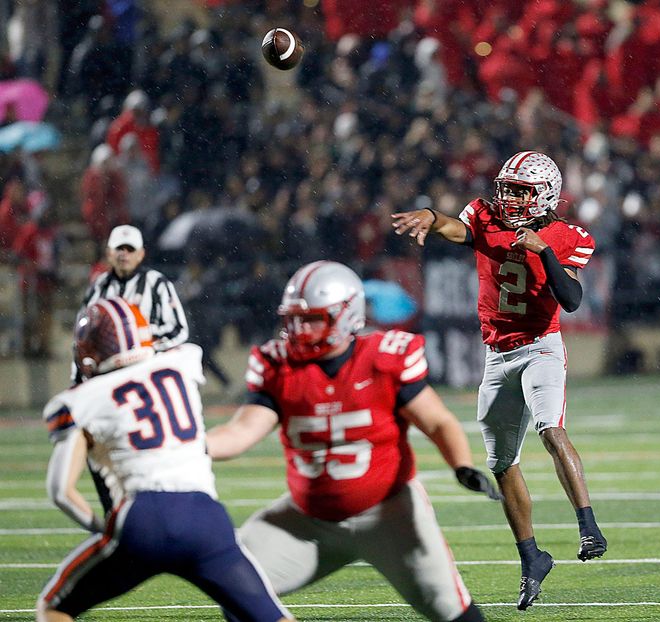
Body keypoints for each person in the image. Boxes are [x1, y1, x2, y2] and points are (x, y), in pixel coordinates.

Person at [206, 260, 498, 622]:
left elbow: (437, 421)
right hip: (309, 520)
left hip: (390, 515)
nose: (299, 329)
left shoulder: (382, 358)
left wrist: (462, 465)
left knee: (455, 614)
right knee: (237, 588)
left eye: (311, 319)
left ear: (347, 316)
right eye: (294, 319)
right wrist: (188, 446)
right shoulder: (279, 366)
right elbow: (241, 432)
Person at [392, 151, 607, 610]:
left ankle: (588, 525)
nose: (511, 198)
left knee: (551, 430)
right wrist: (431, 217)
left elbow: (571, 299)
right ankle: (532, 558)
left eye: (522, 191)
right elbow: (457, 229)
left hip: (541, 347)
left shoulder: (565, 236)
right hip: (496, 357)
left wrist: (543, 251)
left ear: (545, 194)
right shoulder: (486, 216)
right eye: (508, 188)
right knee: (502, 462)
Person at [37, 297, 294, 622]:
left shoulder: (81, 400)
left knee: (54, 607)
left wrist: (105, 530)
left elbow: (61, 492)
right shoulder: (183, 362)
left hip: (143, 518)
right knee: (273, 618)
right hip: (206, 517)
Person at [72, 224, 189, 514]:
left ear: (141, 254)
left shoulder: (157, 283)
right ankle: (113, 514)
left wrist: (143, 347)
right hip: (108, 383)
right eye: (119, 249)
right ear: (109, 253)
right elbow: (83, 339)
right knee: (98, 448)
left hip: (145, 381)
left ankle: (154, 512)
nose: (124, 254)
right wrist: (77, 381)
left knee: (150, 451)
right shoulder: (99, 286)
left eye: (129, 249)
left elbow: (179, 330)